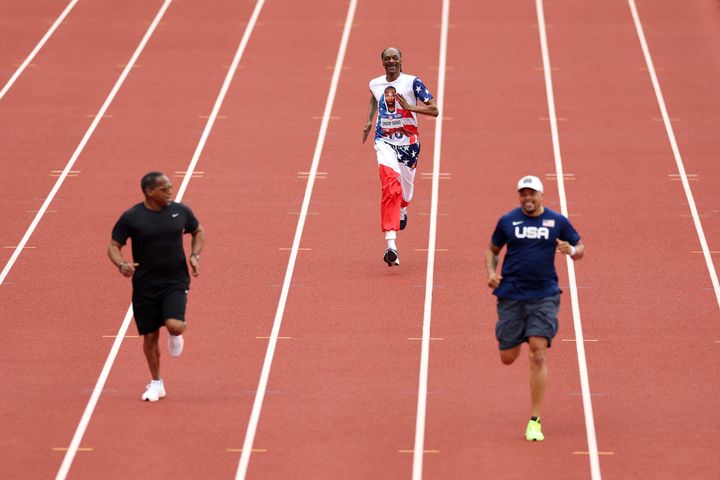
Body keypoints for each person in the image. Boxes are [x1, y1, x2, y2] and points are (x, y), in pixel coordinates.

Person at [485, 175, 584, 441]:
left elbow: (581, 247)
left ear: (541, 195)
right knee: (508, 357)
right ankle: (518, 337)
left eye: (532, 194)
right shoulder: (508, 221)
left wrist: (571, 250)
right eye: (523, 194)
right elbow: (492, 249)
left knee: (538, 352)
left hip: (544, 295)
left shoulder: (556, 221)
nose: (528, 198)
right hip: (511, 296)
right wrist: (491, 271)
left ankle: (535, 419)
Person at [107, 172, 205, 402]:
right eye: (165, 188)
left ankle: (175, 334)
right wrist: (121, 263)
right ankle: (156, 383)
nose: (170, 191)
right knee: (150, 336)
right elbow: (113, 245)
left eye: (170, 187)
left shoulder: (180, 211)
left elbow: (198, 230)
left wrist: (195, 255)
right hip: (144, 284)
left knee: (174, 325)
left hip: (175, 280)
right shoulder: (132, 217)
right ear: (150, 191)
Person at [362, 47, 438, 267]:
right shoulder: (375, 83)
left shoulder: (413, 83)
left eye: (395, 58)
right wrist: (369, 120)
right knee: (389, 186)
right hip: (384, 142)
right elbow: (374, 99)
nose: (391, 61)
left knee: (404, 193)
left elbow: (435, 109)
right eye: (387, 59)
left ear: (401, 60)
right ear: (382, 62)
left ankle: (403, 208)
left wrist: (410, 107)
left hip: (409, 146)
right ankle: (391, 245)